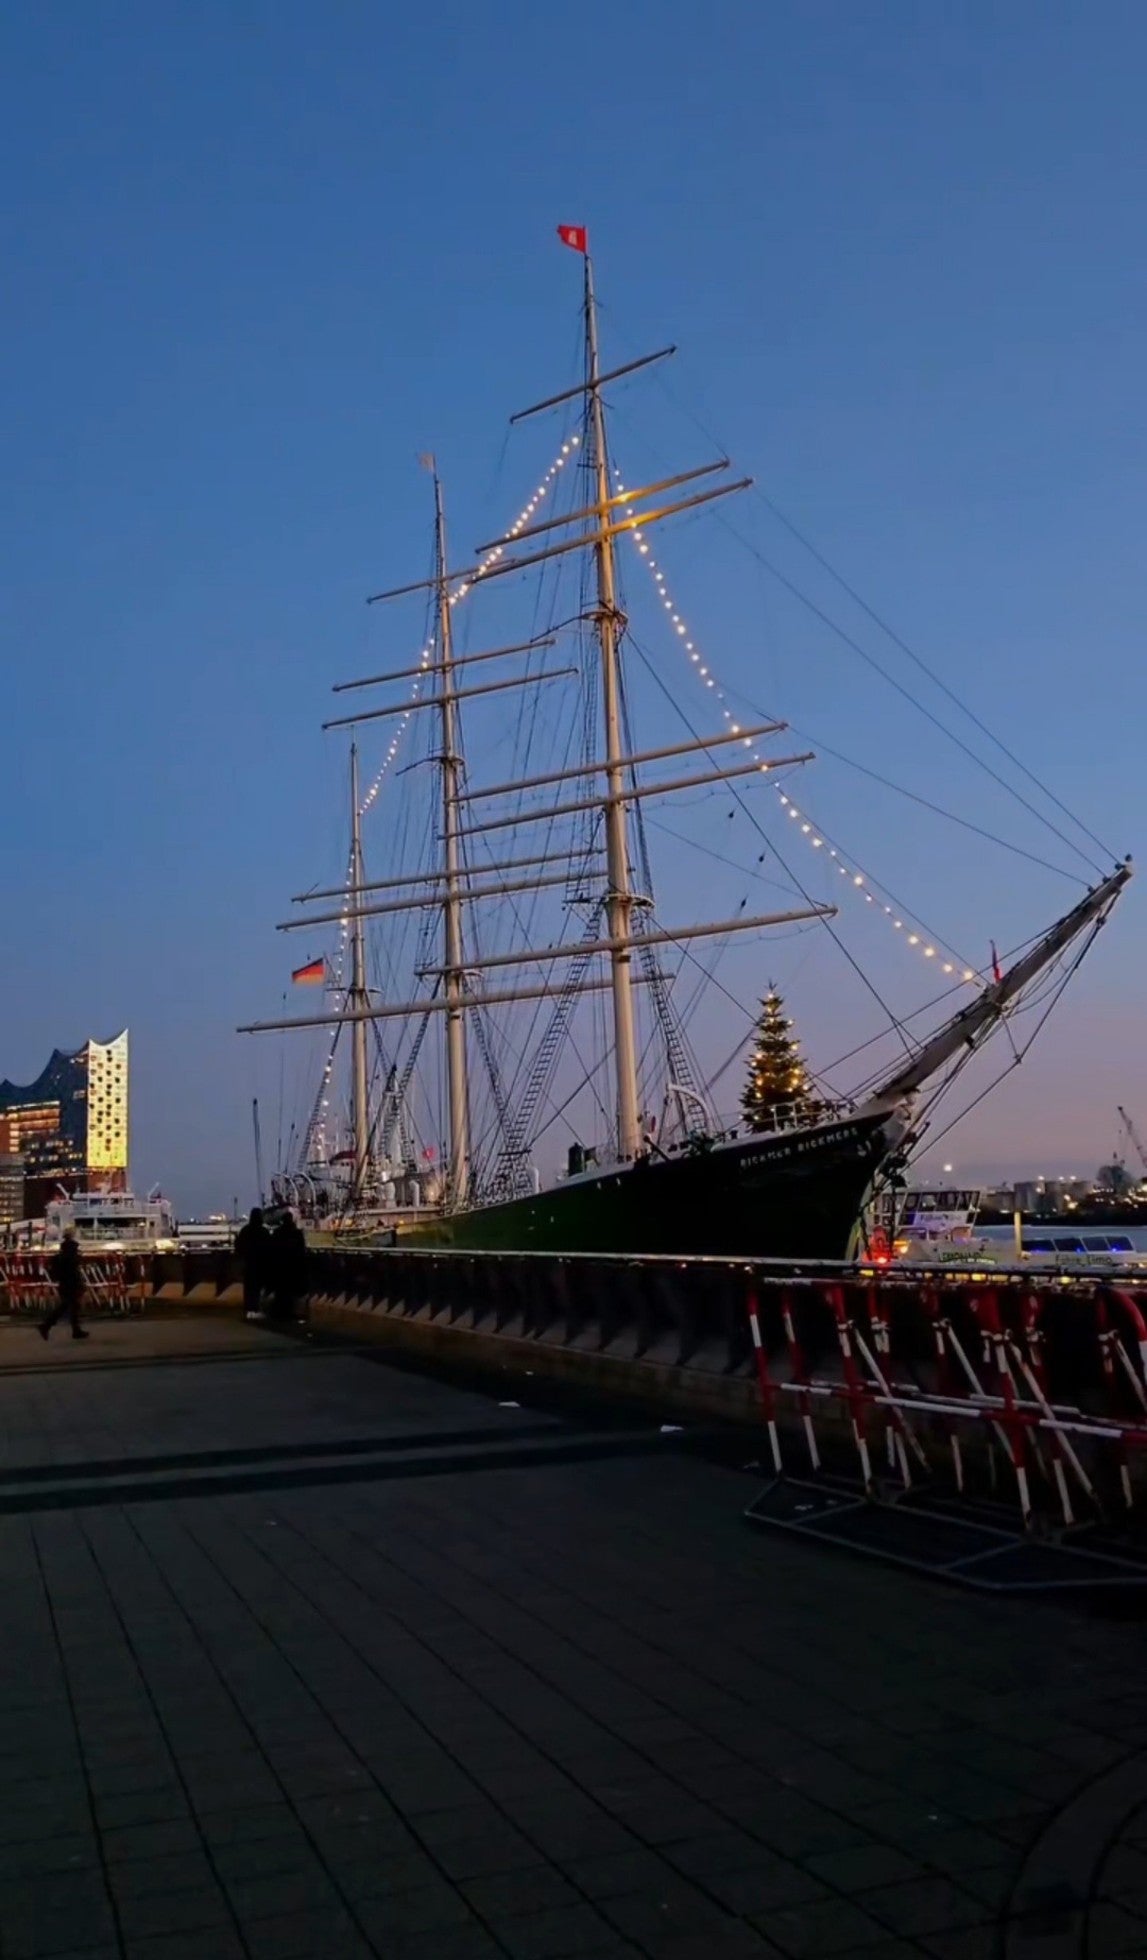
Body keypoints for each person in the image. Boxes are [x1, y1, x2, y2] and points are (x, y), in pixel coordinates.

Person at [40, 1227, 89, 1341]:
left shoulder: (64, 1248)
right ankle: (46, 1325)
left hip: (64, 1281)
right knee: (68, 1305)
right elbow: (73, 1265)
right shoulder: (72, 1248)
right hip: (71, 1281)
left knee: (71, 1305)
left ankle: (75, 1330)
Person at [270, 1210, 308, 1324]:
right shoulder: (297, 1233)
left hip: (281, 1266)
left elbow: (272, 1249)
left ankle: (280, 1313)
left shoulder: (277, 1233)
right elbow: (302, 1250)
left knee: (281, 1291)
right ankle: (293, 1313)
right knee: (293, 1291)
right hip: (293, 1266)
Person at [234, 1206, 271, 1318]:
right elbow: (269, 1247)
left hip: (248, 1263)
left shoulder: (245, 1230)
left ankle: (249, 1309)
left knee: (249, 1288)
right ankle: (255, 1309)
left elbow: (238, 1246)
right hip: (260, 1264)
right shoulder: (263, 1231)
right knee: (258, 1288)